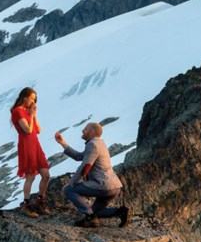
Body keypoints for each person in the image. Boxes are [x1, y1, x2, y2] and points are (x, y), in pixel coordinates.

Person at [55, 122, 130, 228]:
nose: (82, 131)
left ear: (92, 132)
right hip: (114, 186)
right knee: (96, 211)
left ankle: (90, 219)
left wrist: (71, 184)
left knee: (69, 190)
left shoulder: (93, 145)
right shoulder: (99, 143)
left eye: (85, 129)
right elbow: (78, 156)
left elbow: (85, 167)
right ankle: (121, 212)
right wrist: (63, 143)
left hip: (103, 185)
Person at [10, 87, 50, 217]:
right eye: (31, 98)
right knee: (30, 176)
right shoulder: (17, 111)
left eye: (34, 99)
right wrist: (31, 116)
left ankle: (40, 200)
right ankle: (26, 204)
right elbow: (27, 130)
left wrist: (34, 115)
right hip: (26, 145)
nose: (33, 102)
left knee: (46, 174)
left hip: (35, 144)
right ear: (24, 97)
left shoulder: (27, 112)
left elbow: (37, 130)